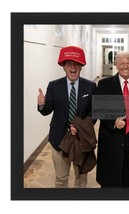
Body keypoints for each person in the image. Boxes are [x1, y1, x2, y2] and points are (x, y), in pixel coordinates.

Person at [37, 46, 96, 188]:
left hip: (82, 141)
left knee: (81, 181)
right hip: (59, 140)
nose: (73, 67)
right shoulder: (54, 86)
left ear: (81, 66)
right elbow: (46, 111)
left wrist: (80, 127)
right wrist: (41, 104)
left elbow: (95, 112)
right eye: (69, 64)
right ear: (63, 66)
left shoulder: (91, 86)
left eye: (77, 64)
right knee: (61, 180)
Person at [95, 51, 129, 187]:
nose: (125, 67)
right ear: (116, 65)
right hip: (111, 136)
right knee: (110, 176)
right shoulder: (104, 84)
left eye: (128, 63)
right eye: (122, 64)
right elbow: (98, 110)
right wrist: (113, 121)